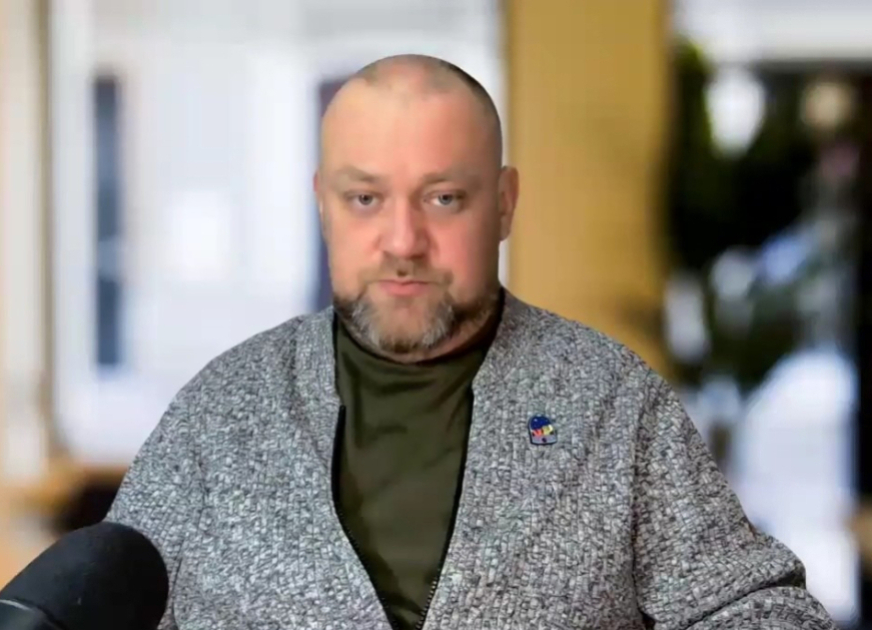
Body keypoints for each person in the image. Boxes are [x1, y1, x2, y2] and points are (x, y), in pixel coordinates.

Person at [106, 55, 835, 630]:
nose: (403, 242)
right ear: (323, 205)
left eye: (443, 198)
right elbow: (101, 604)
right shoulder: (219, 412)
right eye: (365, 199)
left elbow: (759, 609)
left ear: (504, 204)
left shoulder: (612, 401)